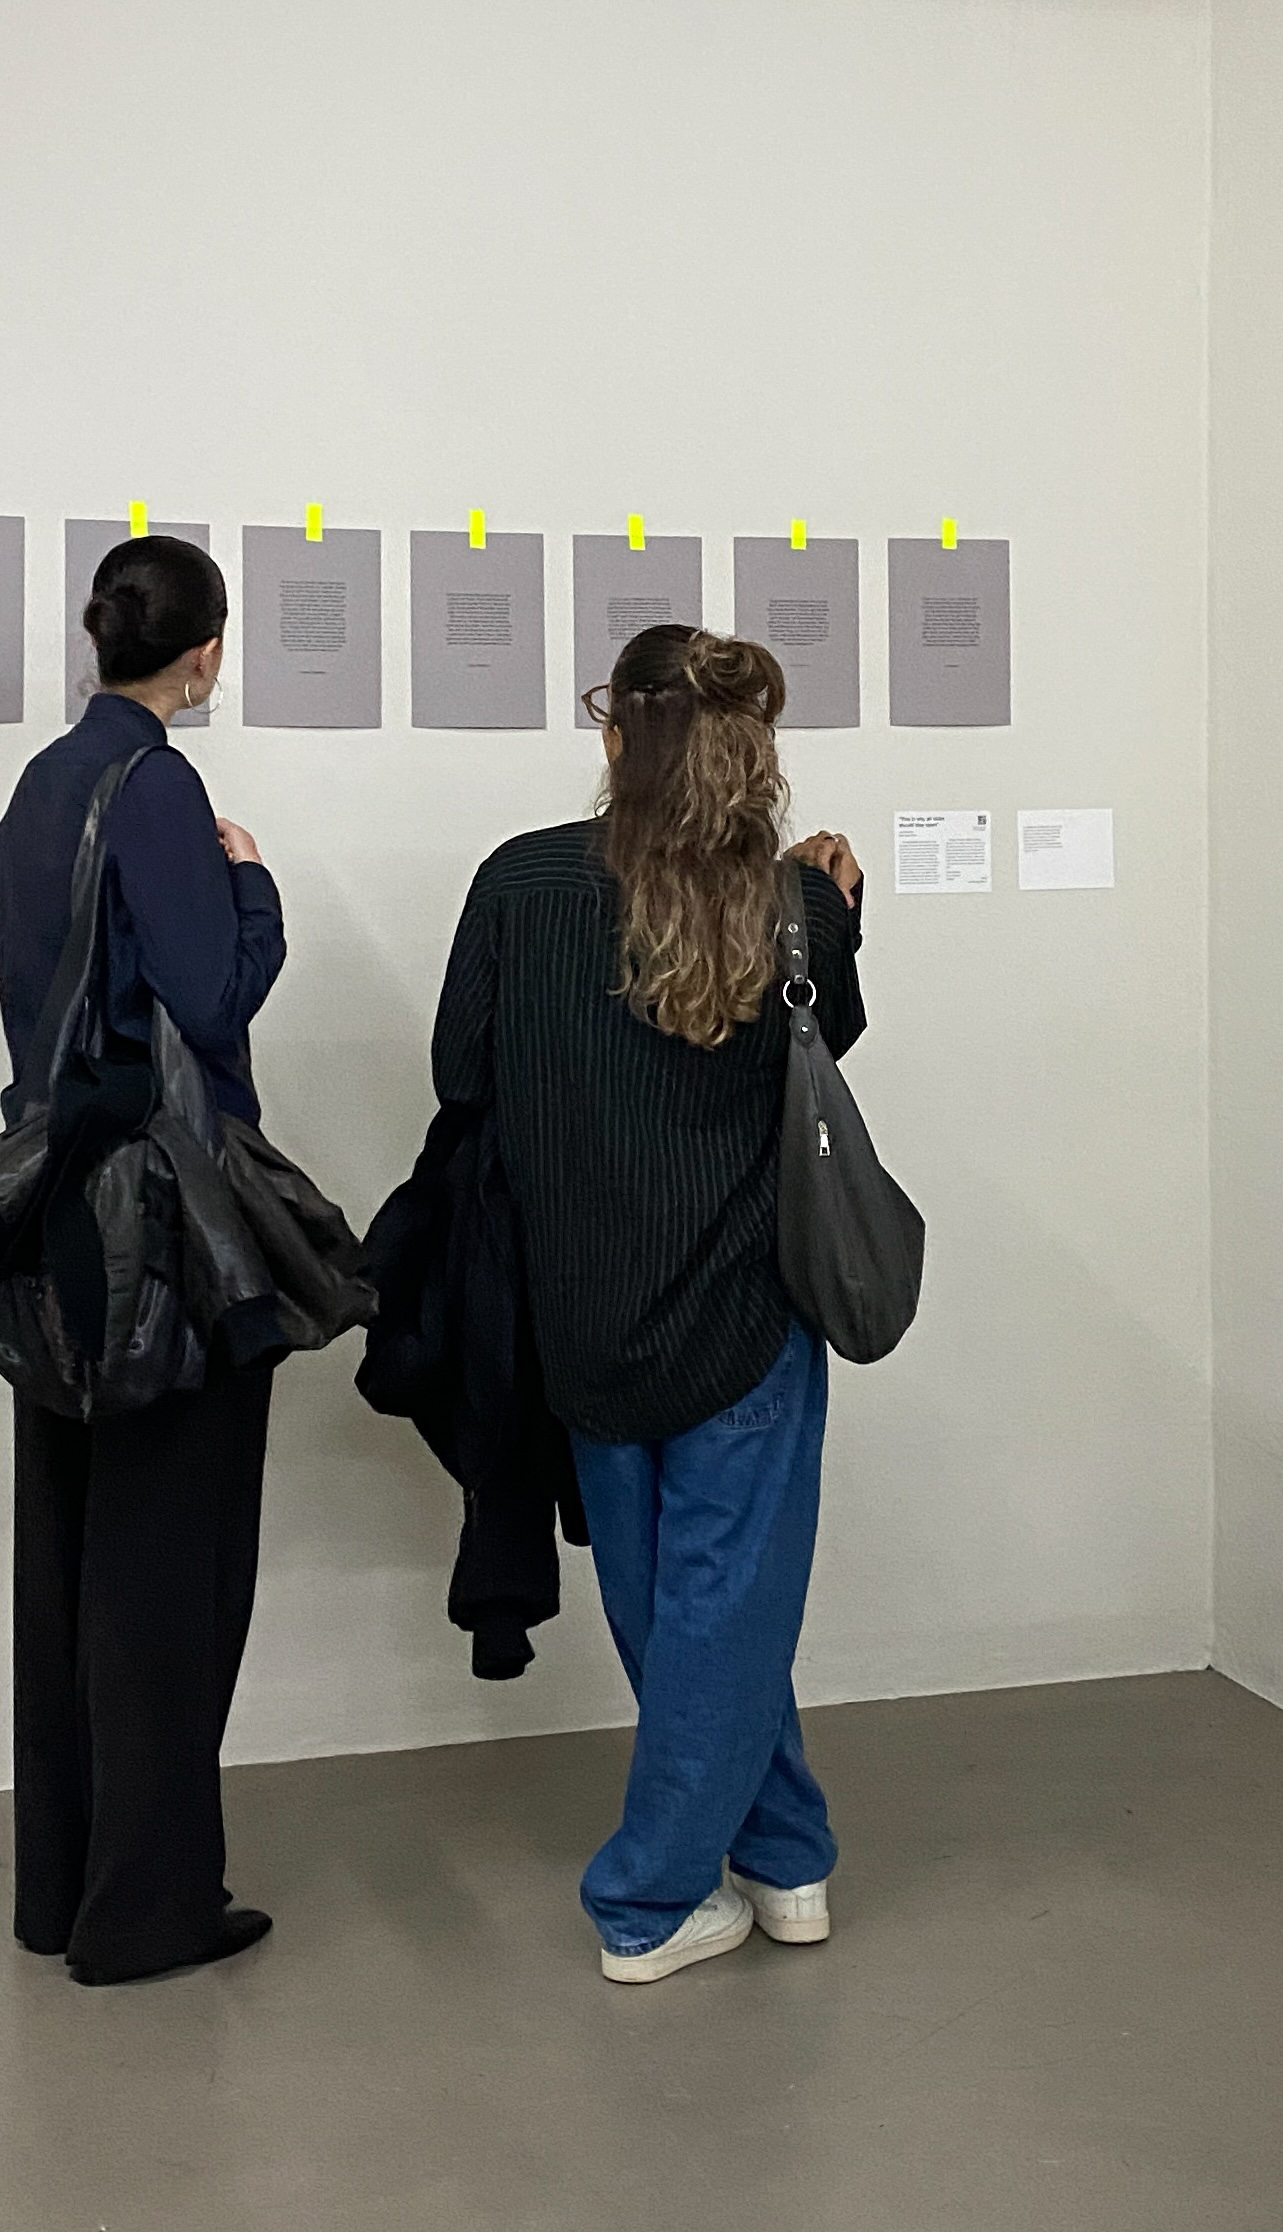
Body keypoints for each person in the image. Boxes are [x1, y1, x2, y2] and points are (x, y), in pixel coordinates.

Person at [431, 624, 866, 1985]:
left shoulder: (520, 881)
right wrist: (840, 907)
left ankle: (779, 1854)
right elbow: (831, 1042)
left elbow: (460, 1073)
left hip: (582, 1307)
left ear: (617, 736)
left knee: (671, 1610)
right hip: (748, 1314)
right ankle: (658, 1898)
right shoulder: (794, 908)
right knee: (724, 1610)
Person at [0, 536, 285, 1986]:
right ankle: (149, 1909)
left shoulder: (42, 785)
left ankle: (63, 1890)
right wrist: (256, 887)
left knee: (71, 1556)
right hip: (162, 1229)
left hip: (55, 1209)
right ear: (204, 651)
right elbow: (212, 1001)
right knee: (171, 1563)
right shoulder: (158, 787)